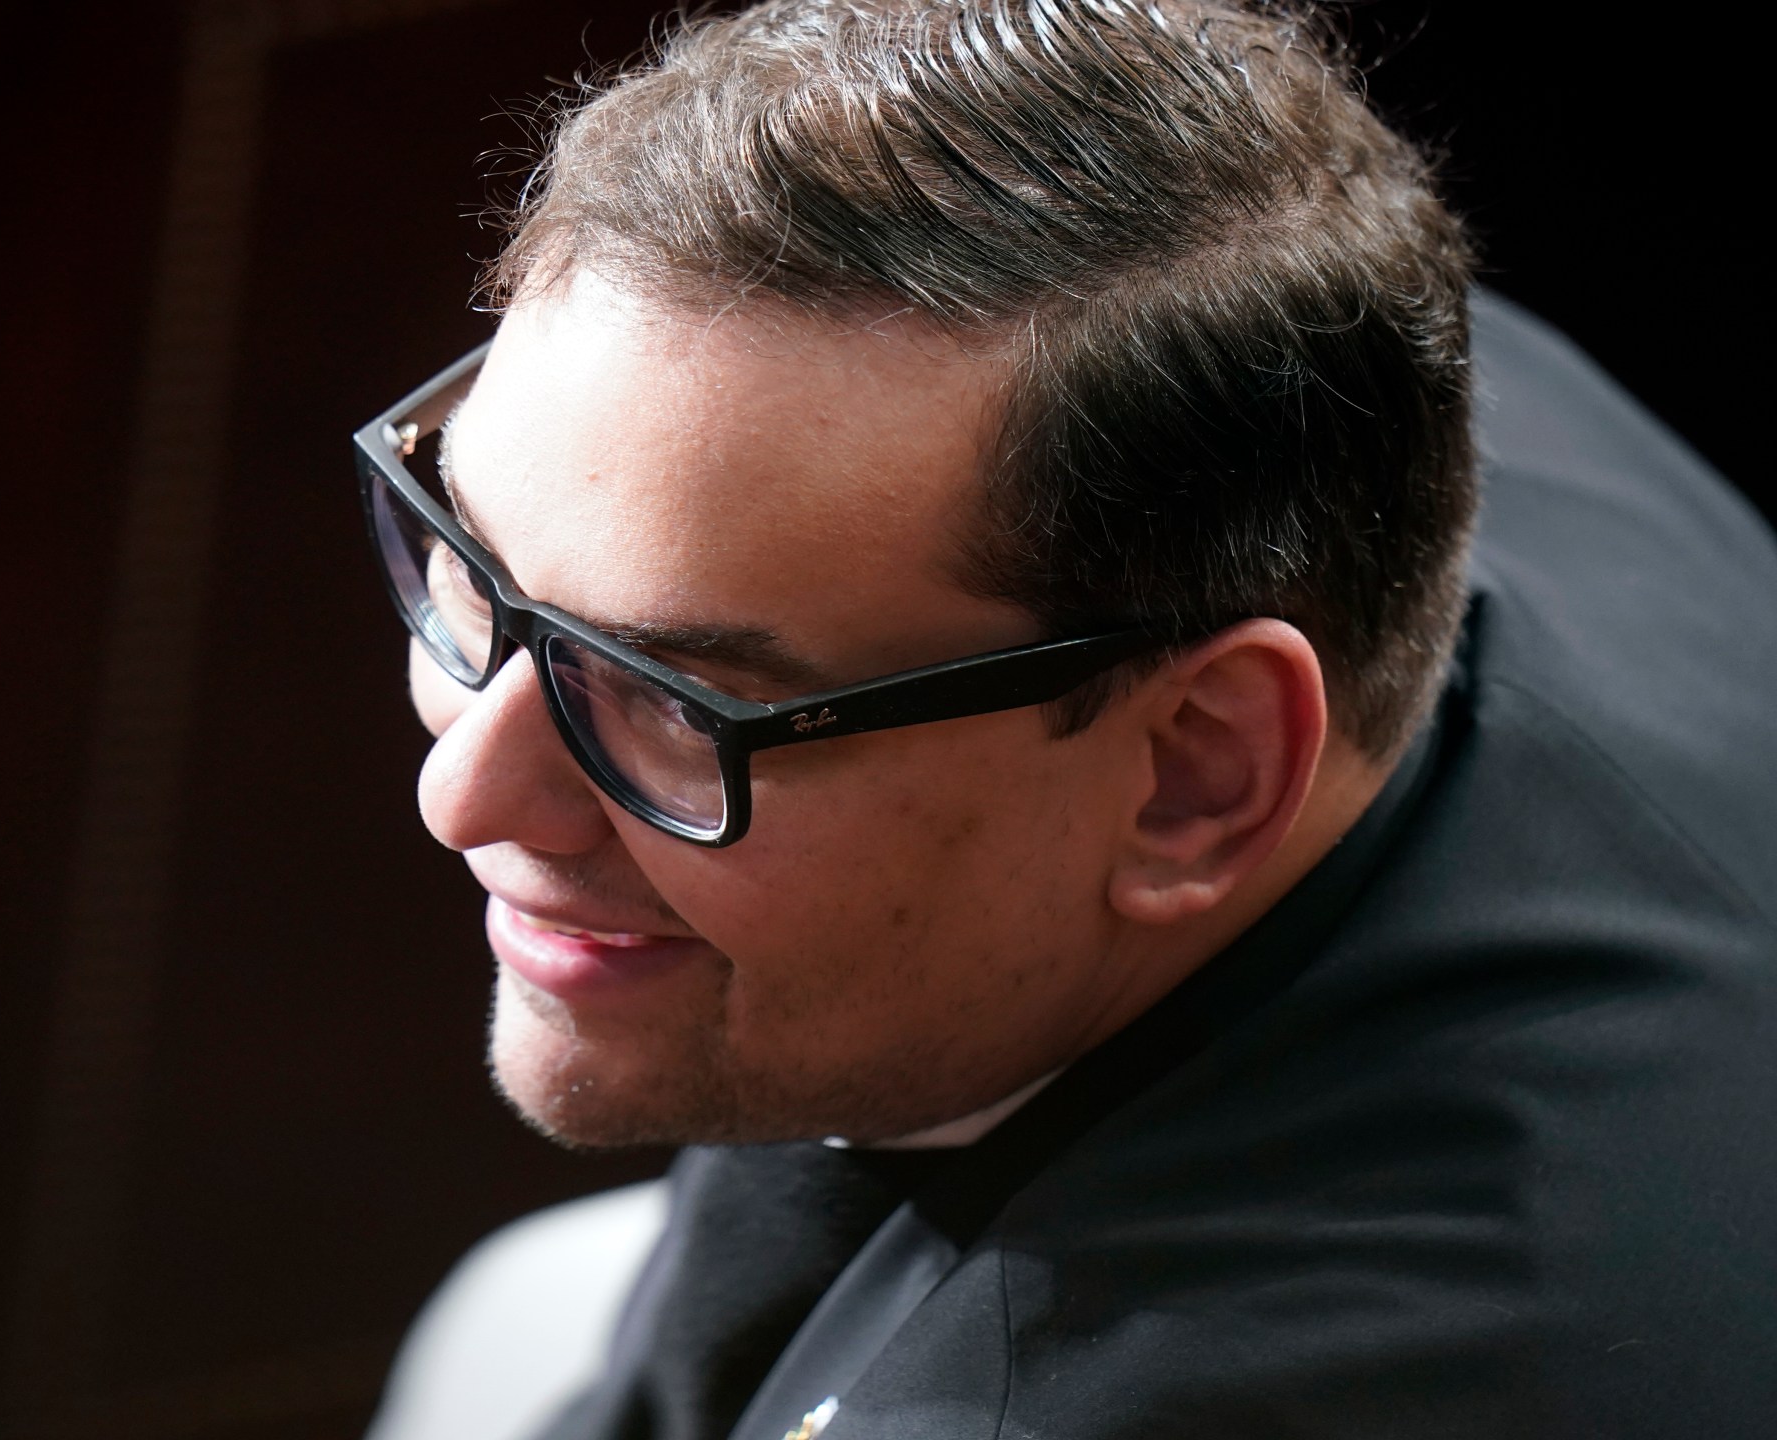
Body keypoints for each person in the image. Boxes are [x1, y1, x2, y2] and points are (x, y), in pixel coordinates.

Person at [354, 1, 1777, 1437]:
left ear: (1198, 772)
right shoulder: (1337, 394)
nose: (463, 796)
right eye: (470, 569)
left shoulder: (1171, 1392)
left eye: (680, 697)